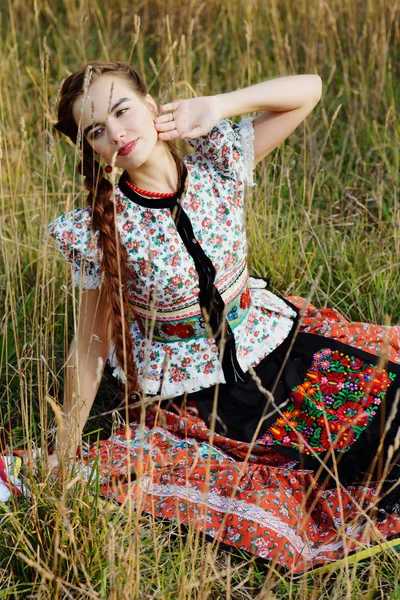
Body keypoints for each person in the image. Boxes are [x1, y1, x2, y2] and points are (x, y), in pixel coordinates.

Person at [46, 61, 400, 571]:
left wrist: (220, 105)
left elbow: (310, 90)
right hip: (201, 391)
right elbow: (89, 348)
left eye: (122, 111)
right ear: (93, 149)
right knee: (343, 466)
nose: (117, 133)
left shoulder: (218, 165)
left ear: (151, 106)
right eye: (97, 130)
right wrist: (65, 446)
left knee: (387, 401)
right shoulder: (104, 229)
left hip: (274, 342)